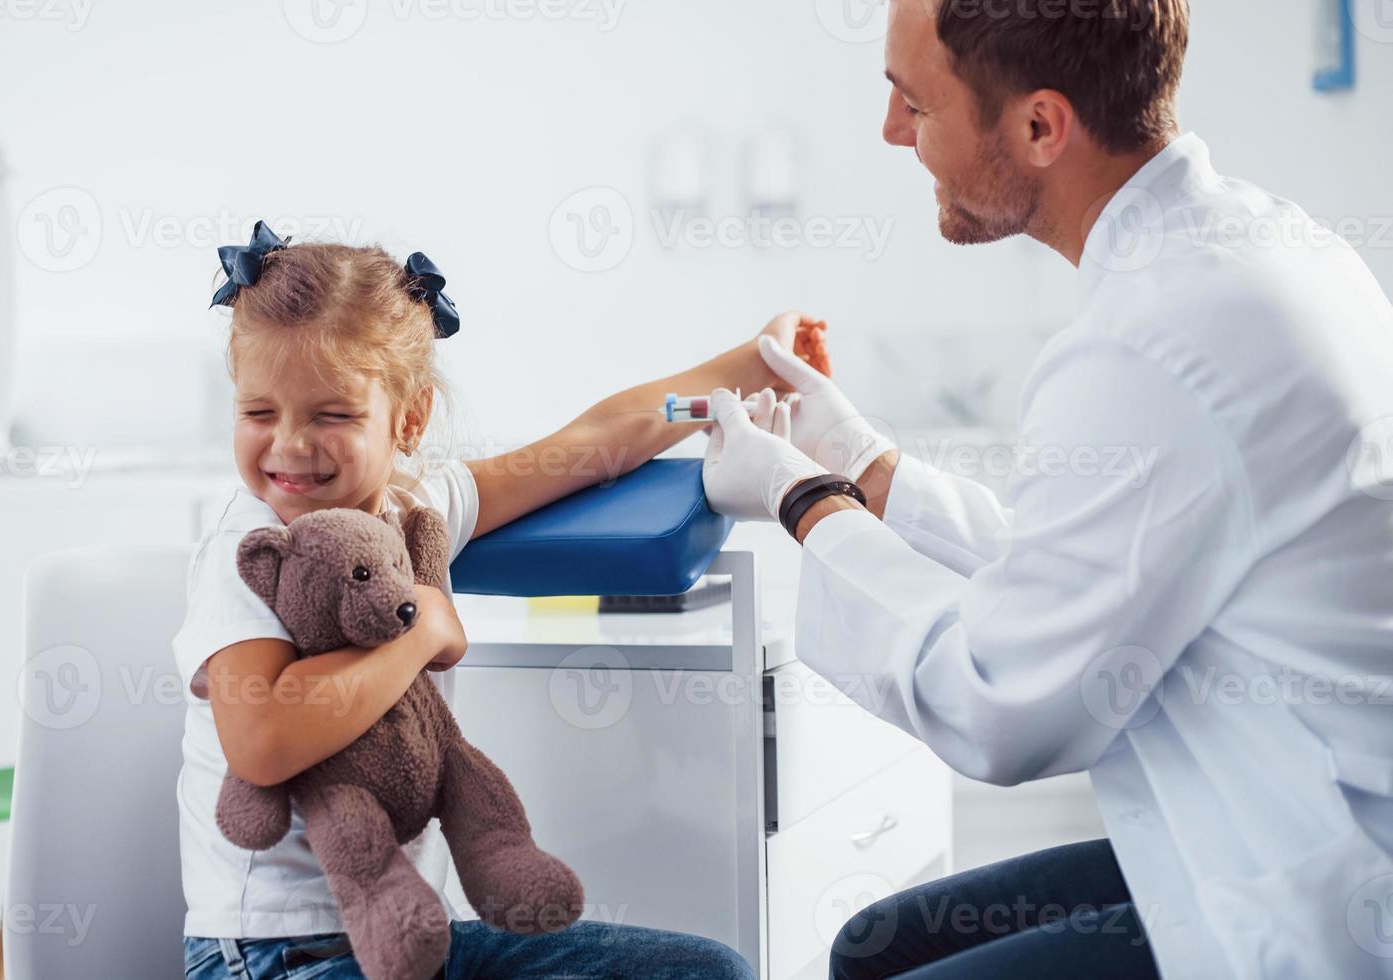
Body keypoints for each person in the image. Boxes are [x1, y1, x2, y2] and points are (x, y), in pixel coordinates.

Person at [700, 1, 1393, 977]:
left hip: (1306, 897)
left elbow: (998, 703)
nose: (891, 131)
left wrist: (805, 500)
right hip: (1289, 814)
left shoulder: (1152, 338)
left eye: (912, 101)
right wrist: (862, 459)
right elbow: (1083, 569)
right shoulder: (1252, 251)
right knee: (871, 945)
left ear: (1038, 125)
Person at [175, 223, 823, 979]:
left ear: (408, 420)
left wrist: (750, 369)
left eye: (332, 415)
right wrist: (419, 634)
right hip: (279, 957)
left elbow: (593, 440)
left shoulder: (419, 506)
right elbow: (263, 739)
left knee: (711, 973)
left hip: (420, 943)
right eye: (260, 413)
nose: (289, 444)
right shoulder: (246, 548)